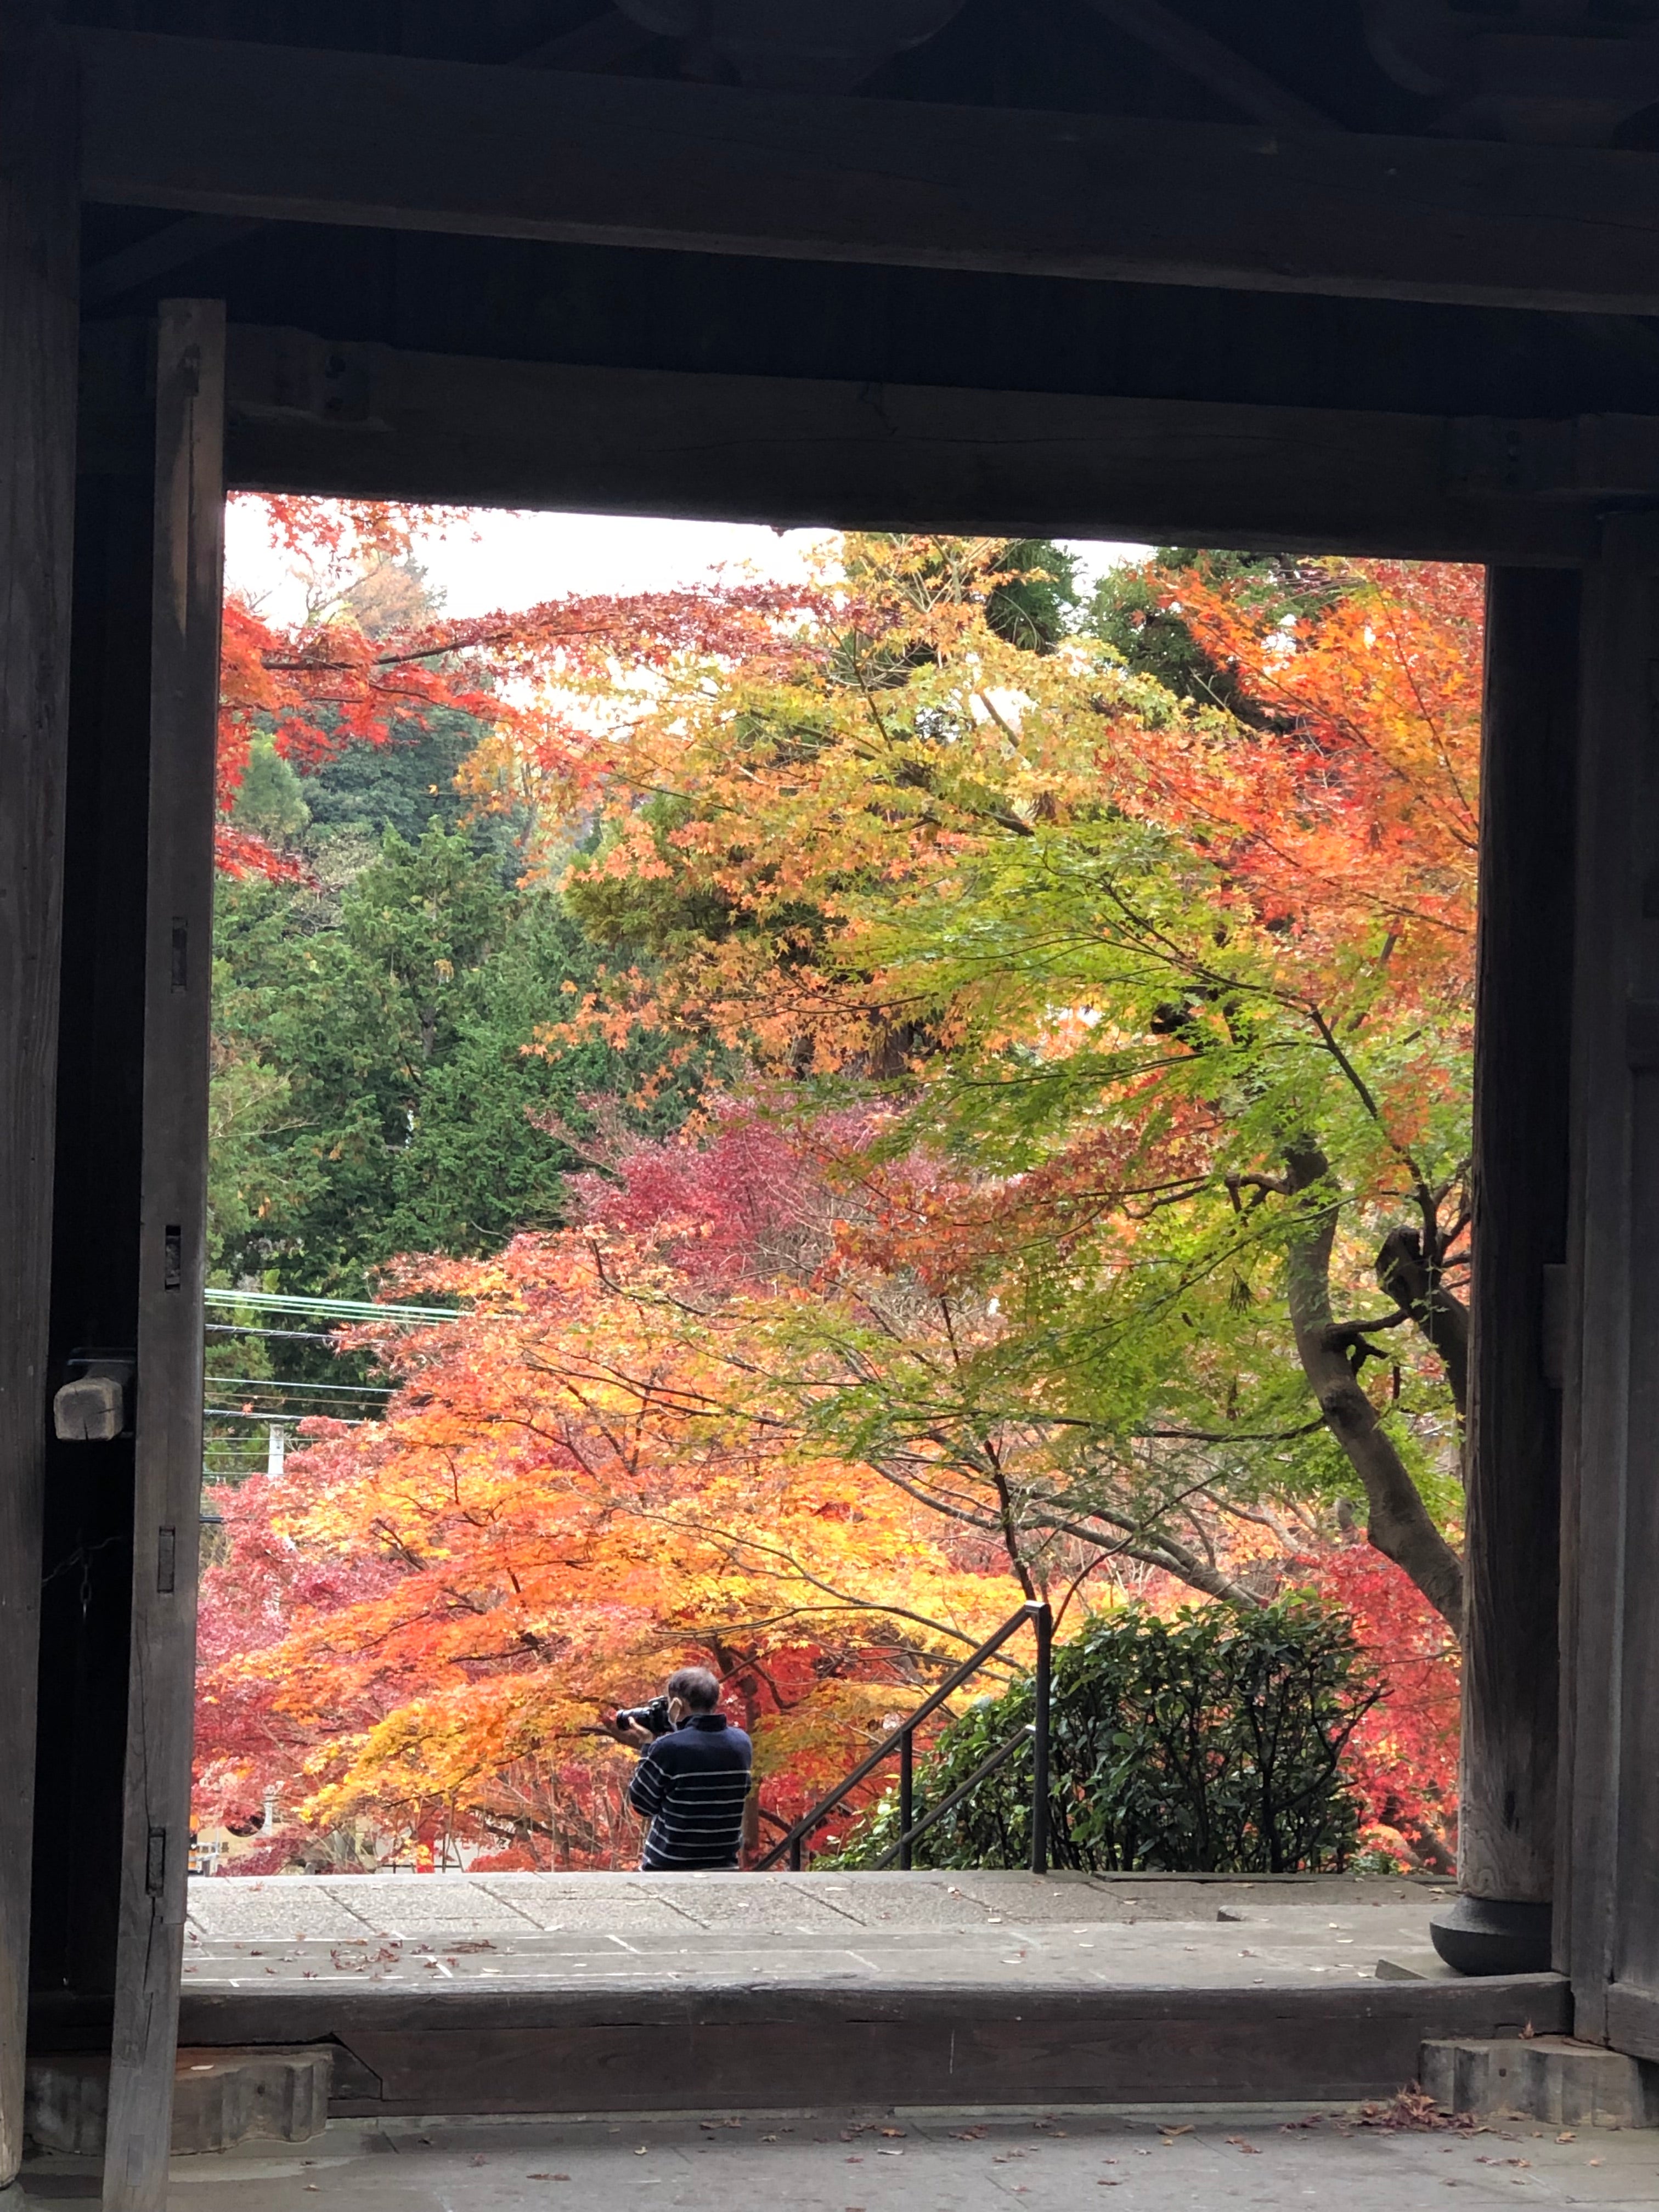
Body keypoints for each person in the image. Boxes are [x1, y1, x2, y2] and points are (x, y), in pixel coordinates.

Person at [606, 1666, 754, 1871]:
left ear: (677, 1704)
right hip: (724, 1864)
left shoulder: (669, 1748)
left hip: (669, 1867)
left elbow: (642, 1804)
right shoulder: (742, 1743)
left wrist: (649, 1745)